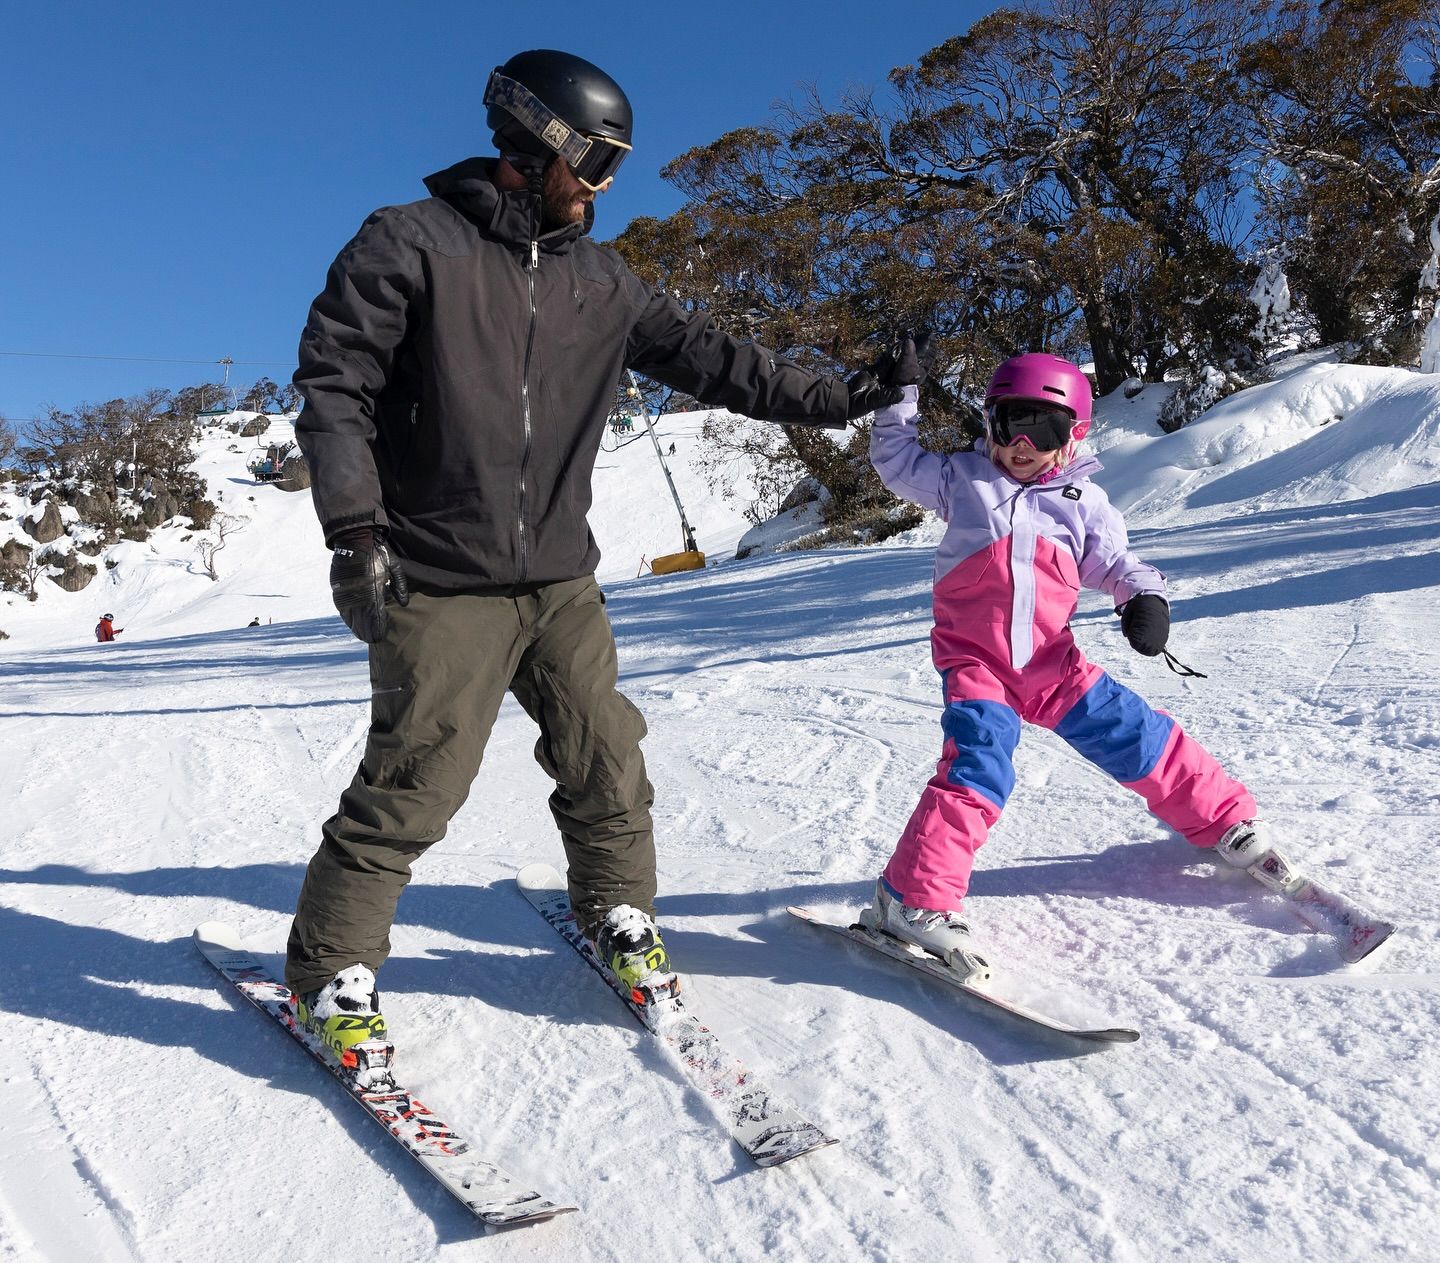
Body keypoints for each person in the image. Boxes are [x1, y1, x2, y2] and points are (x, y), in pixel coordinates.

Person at [287, 48, 892, 1061]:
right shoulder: (411, 243)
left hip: (560, 578)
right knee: (416, 781)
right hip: (440, 576)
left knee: (606, 755)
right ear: (540, 147)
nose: (609, 185)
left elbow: (722, 363)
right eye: (600, 161)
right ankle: (329, 974)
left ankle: (618, 912)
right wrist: (355, 534)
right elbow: (335, 384)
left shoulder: (604, 283)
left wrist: (849, 396)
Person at [859, 340, 1278, 978]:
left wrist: (1144, 597)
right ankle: (909, 901)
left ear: (1073, 435)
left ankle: (1224, 820)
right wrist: (897, 405)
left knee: (1140, 735)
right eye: (1007, 423)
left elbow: (1116, 565)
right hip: (978, 664)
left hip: (1051, 662)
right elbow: (895, 462)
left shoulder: (1084, 505)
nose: (1021, 443)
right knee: (978, 769)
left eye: (1043, 427)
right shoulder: (964, 480)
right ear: (989, 424)